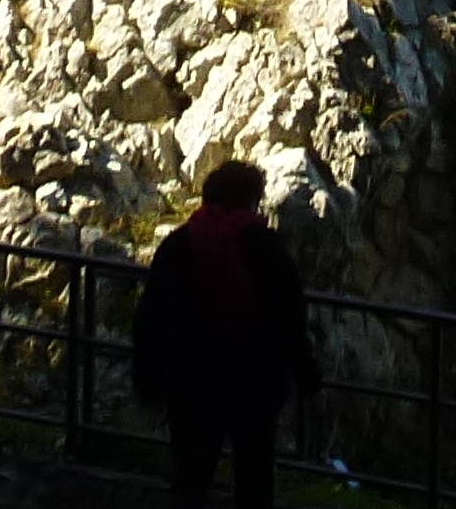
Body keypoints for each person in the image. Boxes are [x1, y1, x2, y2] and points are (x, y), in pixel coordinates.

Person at [132, 158, 318, 509]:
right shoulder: (264, 246)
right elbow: (289, 316)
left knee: (190, 479)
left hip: (190, 378)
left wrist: (146, 377)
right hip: (252, 381)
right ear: (252, 199)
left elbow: (150, 315)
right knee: (254, 480)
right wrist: (304, 373)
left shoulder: (178, 244)